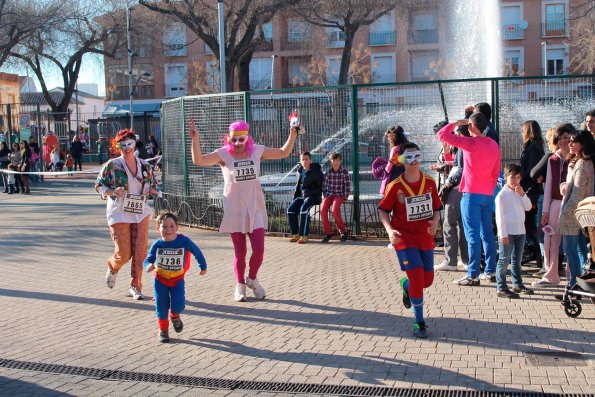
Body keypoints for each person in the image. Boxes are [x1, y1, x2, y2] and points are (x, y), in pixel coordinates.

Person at [188, 119, 298, 302]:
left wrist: (292, 135)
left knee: (259, 250)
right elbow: (198, 160)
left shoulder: (257, 151)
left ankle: (252, 279)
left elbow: (283, 152)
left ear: (247, 138)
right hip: (235, 209)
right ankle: (240, 285)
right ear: (228, 139)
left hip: (255, 207)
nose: (238, 144)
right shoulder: (223, 155)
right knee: (240, 253)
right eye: (234, 140)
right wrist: (195, 139)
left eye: (241, 140)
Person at [378, 142, 441, 338]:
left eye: (417, 157)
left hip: (425, 237)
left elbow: (437, 208)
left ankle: (406, 286)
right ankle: (419, 322)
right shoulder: (395, 186)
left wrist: (436, 222)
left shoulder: (429, 182)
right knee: (416, 277)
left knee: (427, 281)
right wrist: (389, 230)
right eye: (409, 158)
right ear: (401, 161)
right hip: (404, 238)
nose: (414, 162)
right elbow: (382, 210)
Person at [437, 113, 501, 286]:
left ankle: (473, 274)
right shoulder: (493, 144)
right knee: (487, 233)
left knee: (472, 235)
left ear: (472, 126)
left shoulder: (470, 143)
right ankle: (490, 271)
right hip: (488, 194)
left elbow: (442, 135)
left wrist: (457, 123)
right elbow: (496, 171)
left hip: (471, 195)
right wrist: (489, 187)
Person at [95, 129, 159, 300]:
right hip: (120, 213)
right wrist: (112, 191)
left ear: (134, 144)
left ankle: (135, 286)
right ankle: (113, 266)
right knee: (124, 253)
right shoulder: (112, 165)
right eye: (122, 145)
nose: (127, 148)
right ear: (118, 147)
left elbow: (154, 184)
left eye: (129, 144)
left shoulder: (145, 165)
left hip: (140, 211)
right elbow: (99, 186)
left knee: (140, 252)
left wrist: (153, 190)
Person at [144, 212, 207, 343]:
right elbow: (148, 259)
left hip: (177, 280)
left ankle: (175, 315)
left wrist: (203, 266)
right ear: (158, 229)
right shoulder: (157, 244)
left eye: (172, 226)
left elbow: (197, 252)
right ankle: (163, 331)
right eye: (164, 227)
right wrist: (148, 265)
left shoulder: (184, 241)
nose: (168, 230)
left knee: (178, 305)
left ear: (177, 228)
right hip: (160, 280)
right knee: (161, 306)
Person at [531, 125, 572, 287]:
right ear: (556, 140)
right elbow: (547, 187)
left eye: (567, 138)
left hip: (571, 204)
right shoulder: (552, 159)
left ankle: (572, 277)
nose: (564, 141)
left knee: (571, 241)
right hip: (555, 202)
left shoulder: (576, 158)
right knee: (550, 240)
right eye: (561, 138)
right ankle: (551, 275)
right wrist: (545, 210)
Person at [558, 130, 595, 288]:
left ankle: (574, 284)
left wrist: (565, 213)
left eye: (574, 142)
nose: (570, 144)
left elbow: (578, 194)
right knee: (580, 250)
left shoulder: (582, 164)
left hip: (575, 214)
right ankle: (579, 284)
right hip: (583, 215)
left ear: (583, 144)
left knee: (570, 250)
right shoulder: (584, 162)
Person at [435, 119, 470, 271]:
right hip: (466, 189)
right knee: (463, 225)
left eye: (455, 133)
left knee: (449, 224)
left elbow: (460, 169)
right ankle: (465, 259)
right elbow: (456, 166)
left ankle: (451, 261)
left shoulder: (463, 144)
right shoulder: (472, 144)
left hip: (456, 189)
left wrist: (449, 183)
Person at [495, 164, 533, 299]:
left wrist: (523, 194)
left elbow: (528, 207)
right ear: (505, 178)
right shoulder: (502, 195)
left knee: (517, 260)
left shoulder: (519, 192)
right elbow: (499, 217)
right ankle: (501, 287)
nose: (515, 181)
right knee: (504, 260)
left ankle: (517, 284)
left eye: (518, 178)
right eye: (512, 177)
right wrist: (503, 234)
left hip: (520, 232)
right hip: (508, 233)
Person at [519, 120, 545, 268]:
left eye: (523, 131)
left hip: (531, 190)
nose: (522, 134)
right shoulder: (533, 146)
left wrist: (520, 178)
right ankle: (536, 255)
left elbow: (533, 170)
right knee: (528, 224)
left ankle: (538, 256)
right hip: (530, 189)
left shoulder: (533, 147)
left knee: (529, 225)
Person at [287, 151, 324, 244]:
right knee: (290, 210)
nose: (305, 161)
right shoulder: (300, 171)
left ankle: (304, 236)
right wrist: (295, 197)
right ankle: (296, 234)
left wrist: (309, 193)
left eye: (306, 159)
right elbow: (298, 186)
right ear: (300, 161)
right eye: (303, 159)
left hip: (313, 197)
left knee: (303, 209)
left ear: (310, 160)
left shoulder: (317, 172)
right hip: (302, 197)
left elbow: (321, 187)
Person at [320, 152, 351, 243]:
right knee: (323, 210)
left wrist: (345, 196)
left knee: (334, 211)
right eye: (334, 160)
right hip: (329, 194)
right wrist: (326, 195)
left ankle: (343, 232)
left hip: (339, 195)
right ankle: (328, 233)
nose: (335, 162)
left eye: (337, 160)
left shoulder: (344, 172)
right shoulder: (328, 173)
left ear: (340, 161)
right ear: (330, 162)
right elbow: (324, 186)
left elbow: (347, 186)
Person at [380, 125, 408, 194]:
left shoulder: (395, 149)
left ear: (394, 137)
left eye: (389, 137)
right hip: (406, 176)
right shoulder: (408, 147)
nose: (388, 139)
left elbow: (390, 165)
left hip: (395, 177)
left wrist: (385, 171)